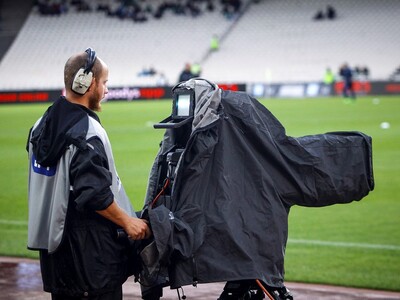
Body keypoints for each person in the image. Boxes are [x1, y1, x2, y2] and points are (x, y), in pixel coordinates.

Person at [26, 48, 151, 300]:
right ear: (87, 83)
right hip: (91, 261)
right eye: (104, 83)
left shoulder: (39, 125)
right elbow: (93, 194)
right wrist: (129, 222)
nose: (106, 90)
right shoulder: (87, 130)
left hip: (56, 262)